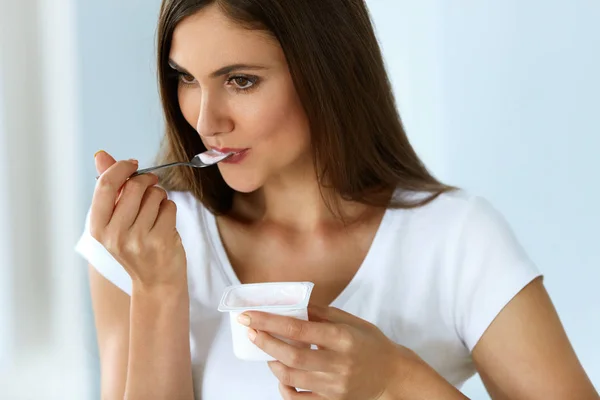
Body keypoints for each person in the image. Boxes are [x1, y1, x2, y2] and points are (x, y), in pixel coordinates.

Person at [75, 1, 598, 399]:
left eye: (241, 81)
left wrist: (397, 377)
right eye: (186, 78)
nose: (206, 122)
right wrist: (158, 289)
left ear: (328, 70)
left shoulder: (455, 239)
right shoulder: (144, 242)